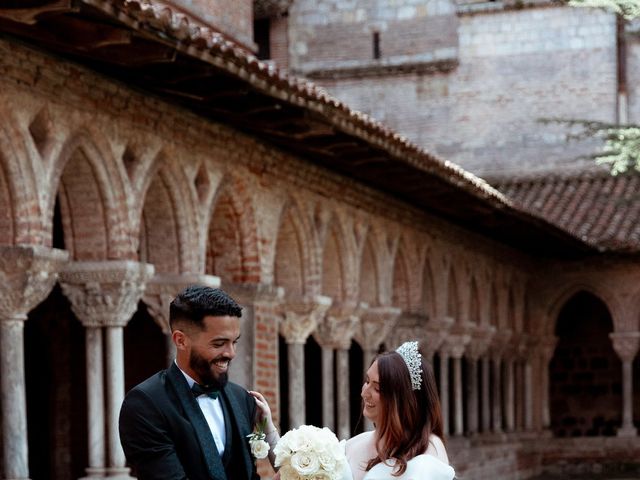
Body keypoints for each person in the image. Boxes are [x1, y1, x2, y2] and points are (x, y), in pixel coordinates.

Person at [119, 285, 278, 480]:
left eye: (234, 341)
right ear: (181, 340)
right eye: (219, 343)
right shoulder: (145, 404)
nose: (231, 353)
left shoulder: (242, 398)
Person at [345, 341, 455, 480]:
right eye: (367, 382)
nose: (364, 393)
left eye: (377, 389)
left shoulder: (428, 457)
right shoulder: (353, 444)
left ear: (403, 400)